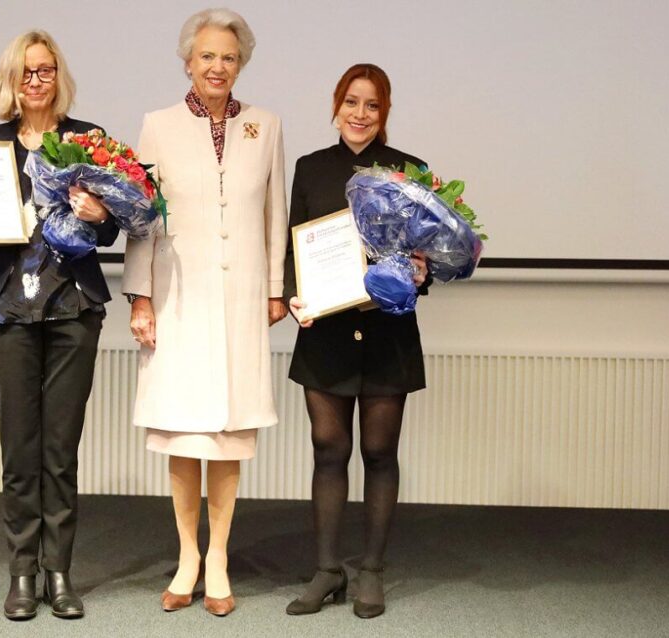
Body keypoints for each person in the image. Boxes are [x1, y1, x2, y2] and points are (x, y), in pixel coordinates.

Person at [0, 30, 118, 621]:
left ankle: (59, 572)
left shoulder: (90, 142)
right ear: (11, 81)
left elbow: (117, 227)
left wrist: (102, 212)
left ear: (59, 76)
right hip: (10, 311)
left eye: (46, 70)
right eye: (26, 72)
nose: (36, 81)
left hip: (73, 309)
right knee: (20, 447)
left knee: (60, 450)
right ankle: (21, 573)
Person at [121, 8, 288, 618]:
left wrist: (274, 287)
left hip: (241, 297)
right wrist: (140, 295)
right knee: (186, 433)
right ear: (188, 62)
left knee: (226, 433)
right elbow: (141, 219)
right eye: (208, 56)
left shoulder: (264, 125)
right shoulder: (158, 126)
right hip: (178, 298)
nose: (219, 66)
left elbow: (275, 211)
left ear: (241, 64)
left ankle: (218, 555)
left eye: (230, 57)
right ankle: (187, 555)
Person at [282, 63, 431, 619]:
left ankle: (370, 571)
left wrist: (421, 271)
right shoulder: (311, 168)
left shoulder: (408, 172)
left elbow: (427, 258)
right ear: (336, 104)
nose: (360, 114)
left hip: (388, 333)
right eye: (351, 102)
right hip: (327, 333)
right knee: (328, 450)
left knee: (378, 452)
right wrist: (295, 294)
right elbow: (292, 247)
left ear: (384, 111)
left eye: (372, 105)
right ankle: (327, 570)